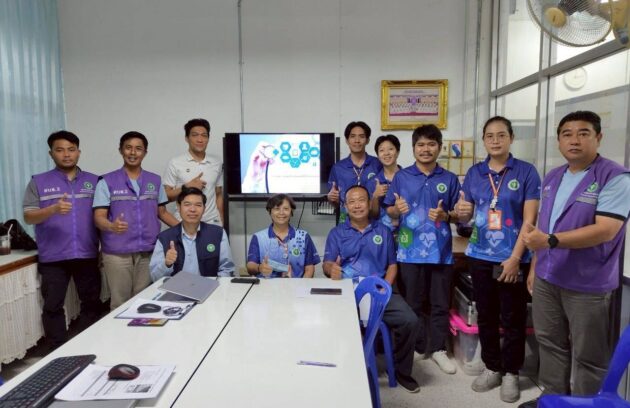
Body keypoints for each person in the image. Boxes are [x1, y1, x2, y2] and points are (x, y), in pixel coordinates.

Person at [518, 111, 630, 408]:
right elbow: (542, 227)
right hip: (547, 277)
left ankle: (583, 403)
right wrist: (535, 266)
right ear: (559, 141)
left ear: (598, 137)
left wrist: (551, 241)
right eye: (567, 134)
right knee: (550, 343)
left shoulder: (614, 177)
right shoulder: (553, 177)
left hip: (587, 283)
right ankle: (553, 399)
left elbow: (606, 230)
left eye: (583, 133)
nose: (575, 140)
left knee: (588, 355)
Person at [455, 116, 541, 403]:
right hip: (479, 255)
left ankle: (511, 372)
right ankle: (492, 367)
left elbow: (530, 221)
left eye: (501, 135)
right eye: (489, 136)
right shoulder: (475, 172)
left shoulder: (526, 172)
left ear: (511, 138)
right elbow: (468, 215)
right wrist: (462, 212)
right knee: (486, 315)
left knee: (513, 317)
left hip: (512, 257)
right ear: (484, 140)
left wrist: (515, 258)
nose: (495, 140)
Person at [323, 185, 420, 393]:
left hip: (379, 290)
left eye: (361, 200)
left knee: (409, 320)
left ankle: (402, 371)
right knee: (334, 321)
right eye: (351, 202)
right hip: (348, 291)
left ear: (369, 203)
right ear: (345, 206)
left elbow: (392, 265)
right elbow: (327, 264)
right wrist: (332, 269)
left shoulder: (383, 231)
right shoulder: (337, 233)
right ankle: (342, 369)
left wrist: (385, 289)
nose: (357, 205)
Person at [384, 125, 462, 375]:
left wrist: (446, 215)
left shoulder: (449, 178)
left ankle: (438, 348)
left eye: (431, 144)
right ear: (414, 148)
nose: (425, 149)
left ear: (439, 147)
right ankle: (417, 346)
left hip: (441, 252)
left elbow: (459, 215)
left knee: (440, 303)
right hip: (409, 251)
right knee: (412, 303)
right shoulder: (402, 177)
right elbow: (389, 210)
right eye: (420, 144)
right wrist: (396, 210)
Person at [23, 131, 101, 349]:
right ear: (51, 154)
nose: (66, 154)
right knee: (52, 306)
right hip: (53, 256)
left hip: (87, 253)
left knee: (91, 303)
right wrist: (53, 209)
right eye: (60, 150)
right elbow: (28, 216)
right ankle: (57, 351)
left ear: (79, 152)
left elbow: (102, 215)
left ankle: (89, 346)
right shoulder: (38, 182)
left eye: (71, 149)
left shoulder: (95, 181)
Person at [94, 131, 178, 309]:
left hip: (148, 251)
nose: (133, 152)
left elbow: (162, 212)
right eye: (128, 148)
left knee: (145, 301)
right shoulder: (106, 181)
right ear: (121, 150)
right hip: (117, 253)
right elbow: (98, 217)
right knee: (120, 303)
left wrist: (186, 229)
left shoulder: (154, 180)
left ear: (145, 152)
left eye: (138, 148)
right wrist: (112, 226)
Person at [149, 187, 235, 280]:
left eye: (198, 205)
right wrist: (166, 264)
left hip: (209, 287)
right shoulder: (164, 237)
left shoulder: (218, 233)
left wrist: (217, 285)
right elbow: (155, 277)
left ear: (204, 209)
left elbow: (227, 269)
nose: (193, 209)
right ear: (179, 207)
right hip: (176, 288)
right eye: (187, 204)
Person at [163, 118, 224, 225]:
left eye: (204, 135)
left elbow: (218, 194)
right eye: (195, 135)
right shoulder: (175, 162)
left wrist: (222, 222)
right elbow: (165, 197)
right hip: (184, 222)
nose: (200, 140)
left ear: (208, 138)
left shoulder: (217, 163)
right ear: (187, 138)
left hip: (212, 222)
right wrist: (187, 187)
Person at [246, 194, 320, 278]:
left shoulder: (303, 236)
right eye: (277, 208)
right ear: (270, 211)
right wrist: (259, 268)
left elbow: (309, 268)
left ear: (291, 211)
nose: (281, 212)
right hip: (266, 285)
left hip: (296, 286)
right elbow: (250, 266)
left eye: (286, 209)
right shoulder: (258, 237)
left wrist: (302, 285)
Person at [327, 121, 382, 224]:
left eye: (361, 136)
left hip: (374, 223)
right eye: (352, 136)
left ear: (367, 140)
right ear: (347, 140)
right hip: (346, 224)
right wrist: (331, 198)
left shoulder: (378, 164)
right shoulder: (338, 168)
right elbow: (336, 203)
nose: (357, 140)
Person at [367, 134, 402, 232]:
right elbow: (373, 215)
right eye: (381, 150)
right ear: (378, 156)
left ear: (397, 152)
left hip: (406, 232)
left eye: (390, 149)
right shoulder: (372, 182)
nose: (386, 153)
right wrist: (375, 197)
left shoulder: (408, 178)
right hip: (381, 234)